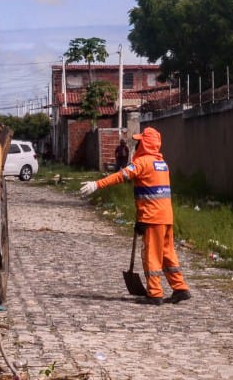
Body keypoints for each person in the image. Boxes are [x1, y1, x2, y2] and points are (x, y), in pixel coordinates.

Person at [79, 126, 191, 305]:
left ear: (145, 144)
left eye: (139, 142)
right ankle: (180, 288)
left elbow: (119, 177)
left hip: (152, 217)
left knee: (151, 255)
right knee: (168, 254)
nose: (137, 144)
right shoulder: (162, 164)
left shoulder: (142, 163)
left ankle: (154, 294)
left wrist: (97, 184)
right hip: (166, 216)